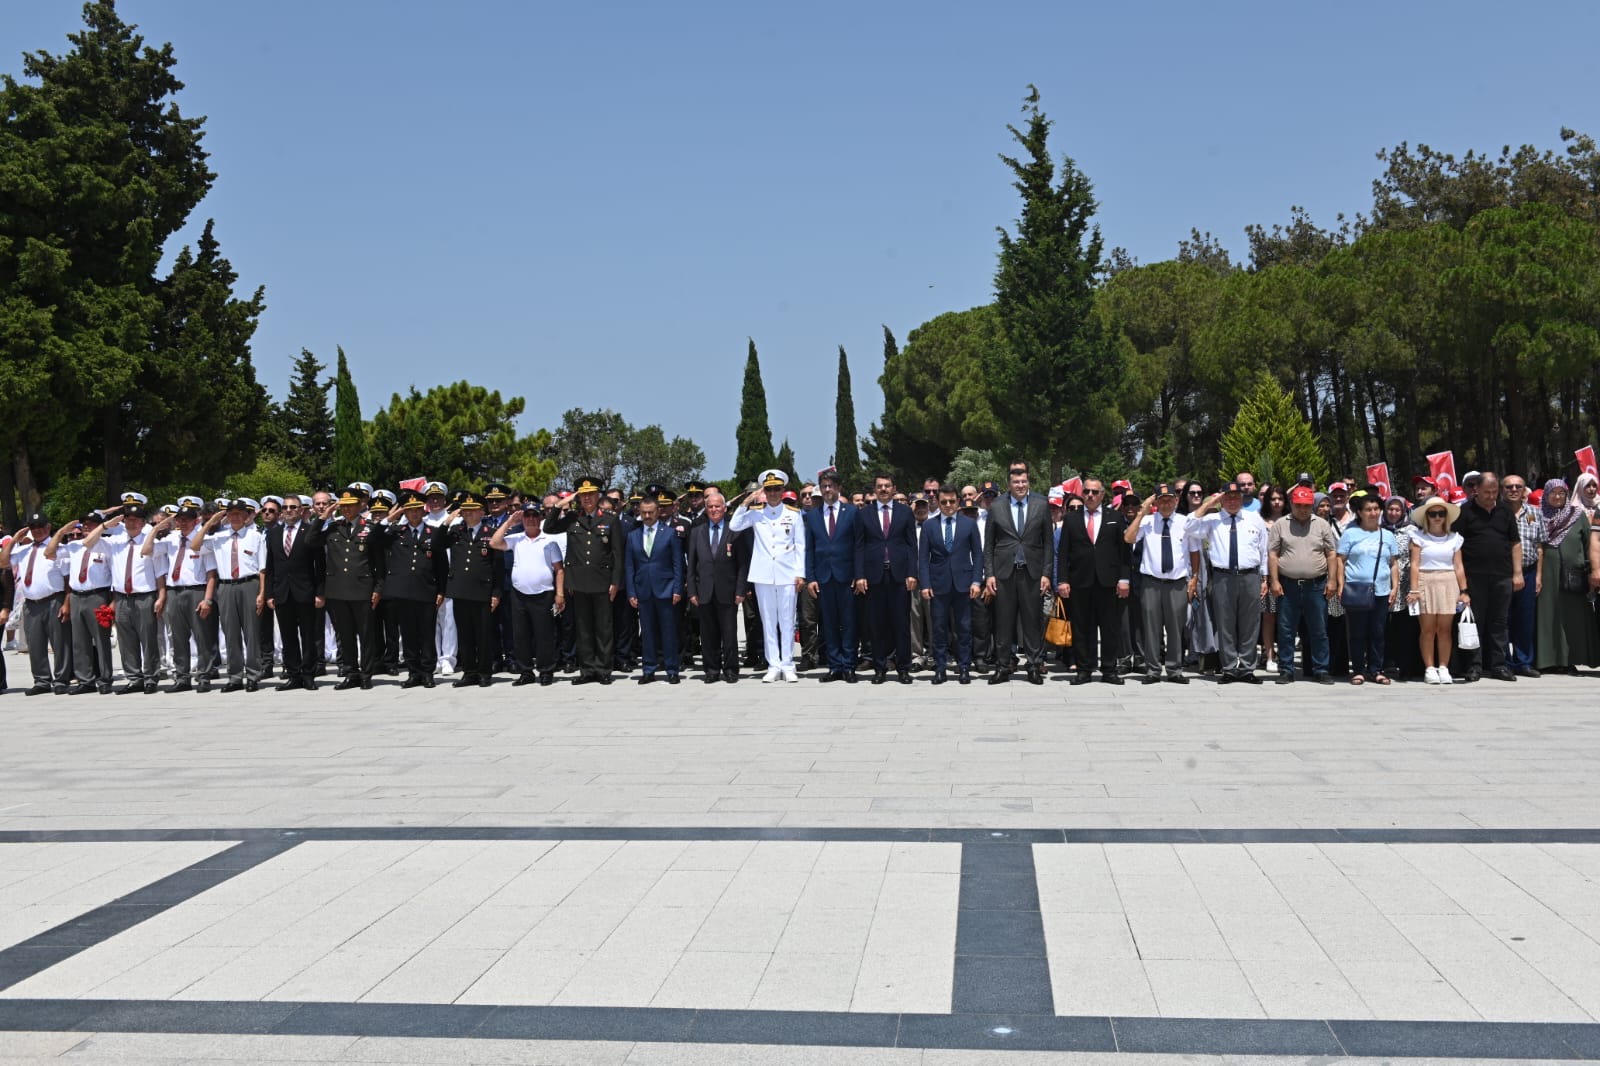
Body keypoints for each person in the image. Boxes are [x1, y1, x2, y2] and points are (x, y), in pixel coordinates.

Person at [543, 476, 624, 685]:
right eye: (583, 495)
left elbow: (617, 554)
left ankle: (604, 669)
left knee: (603, 628)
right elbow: (549, 528)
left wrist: (615, 582)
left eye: (591, 494)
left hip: (602, 581)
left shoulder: (610, 519)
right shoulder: (572, 517)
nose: (587, 498)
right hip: (578, 583)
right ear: (578, 497)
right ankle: (587, 670)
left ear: (598, 496)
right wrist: (558, 506)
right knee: (583, 628)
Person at [729, 469, 807, 682]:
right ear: (764, 490)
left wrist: (800, 574)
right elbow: (734, 525)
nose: (773, 493)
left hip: (787, 573)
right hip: (763, 574)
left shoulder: (793, 513)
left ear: (783, 491)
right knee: (768, 621)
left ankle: (788, 664)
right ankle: (773, 664)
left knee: (787, 620)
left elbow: (800, 545)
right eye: (769, 489)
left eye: (777, 489)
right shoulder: (756, 512)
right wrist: (747, 501)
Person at [1188, 483, 1270, 683]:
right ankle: (1230, 668)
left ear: (1242, 498)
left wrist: (1265, 578)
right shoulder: (1212, 520)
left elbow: (1264, 550)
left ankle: (1248, 668)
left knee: (1250, 623)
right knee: (1225, 623)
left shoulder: (1254, 519)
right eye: (1228, 497)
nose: (1232, 501)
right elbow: (1189, 525)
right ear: (1222, 499)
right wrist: (1212, 502)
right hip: (1223, 577)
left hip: (1249, 575)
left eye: (1236, 497)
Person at [1056, 478, 1132, 685]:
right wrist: (1062, 580)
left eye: (1094, 492)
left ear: (1102, 495)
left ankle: (1109, 670)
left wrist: (1124, 579)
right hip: (1080, 581)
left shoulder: (1115, 517)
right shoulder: (1071, 519)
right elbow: (1063, 553)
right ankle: (1084, 670)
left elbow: (1124, 553)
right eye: (1087, 491)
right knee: (1081, 627)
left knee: (1110, 627)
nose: (1090, 495)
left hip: (1108, 582)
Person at [983, 462, 1053, 685]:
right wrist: (990, 574)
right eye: (1016, 482)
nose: (1020, 485)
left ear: (1028, 481)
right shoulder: (997, 506)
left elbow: (1049, 544)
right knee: (1003, 622)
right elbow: (989, 545)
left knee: (1032, 622)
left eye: (1024, 481)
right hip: (1004, 573)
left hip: (1032, 573)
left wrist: (1046, 573)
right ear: (1009, 484)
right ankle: (1003, 667)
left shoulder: (1041, 504)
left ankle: (1033, 665)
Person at [192, 499, 268, 692]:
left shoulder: (255, 536)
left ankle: (253, 675)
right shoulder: (219, 537)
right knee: (230, 632)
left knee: (251, 633)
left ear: (246, 516)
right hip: (225, 586)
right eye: (231, 513)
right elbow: (194, 545)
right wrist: (209, 523)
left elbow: (262, 569)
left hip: (249, 583)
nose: (235, 517)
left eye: (239, 513)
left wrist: (261, 594)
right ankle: (234, 676)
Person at [1452, 471, 1520, 682]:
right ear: (1476, 490)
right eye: (1486, 492)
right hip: (1474, 577)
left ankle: (1499, 665)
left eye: (1494, 492)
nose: (1491, 496)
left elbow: (1515, 542)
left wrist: (1517, 573)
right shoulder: (1464, 511)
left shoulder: (1505, 511)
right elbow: (1457, 547)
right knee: (1475, 622)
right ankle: (1474, 666)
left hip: (1502, 575)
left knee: (1499, 622)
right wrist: (1461, 581)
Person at [315, 489, 385, 690]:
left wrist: (378, 588)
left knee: (366, 635)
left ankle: (366, 674)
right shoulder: (333, 527)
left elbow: (379, 563)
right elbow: (311, 541)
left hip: (363, 588)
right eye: (343, 506)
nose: (347, 509)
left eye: (351, 505)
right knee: (345, 635)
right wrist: (323, 518)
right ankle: (351, 672)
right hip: (338, 589)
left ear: (360, 506)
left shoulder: (369, 528)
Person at [88, 504, 162, 693]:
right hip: (121, 597)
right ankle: (134, 678)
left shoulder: (149, 541)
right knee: (126, 640)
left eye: (136, 520)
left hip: (144, 595)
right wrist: (105, 526)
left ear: (143, 522)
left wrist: (161, 596)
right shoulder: (115, 541)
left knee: (148, 639)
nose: (131, 523)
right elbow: (88, 543)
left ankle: (151, 677)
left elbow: (160, 573)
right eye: (128, 519)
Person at [1268, 484, 1337, 684]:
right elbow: (1273, 554)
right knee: (1286, 629)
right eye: (1299, 505)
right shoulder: (1280, 525)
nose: (1303, 509)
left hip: (1316, 585)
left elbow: (1331, 553)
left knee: (1319, 629)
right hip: (1288, 585)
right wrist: (1274, 580)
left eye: (1307, 505)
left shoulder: (1322, 525)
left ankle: (1321, 669)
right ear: (1291, 504)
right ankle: (1286, 670)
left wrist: (1332, 580)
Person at [146, 502, 219, 693]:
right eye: (179, 519)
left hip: (196, 591)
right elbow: (146, 551)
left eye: (187, 520)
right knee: (177, 638)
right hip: (174, 592)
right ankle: (182, 677)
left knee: (202, 636)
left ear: (196, 521)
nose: (183, 523)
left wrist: (207, 599)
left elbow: (212, 574)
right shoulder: (170, 539)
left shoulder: (202, 539)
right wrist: (158, 528)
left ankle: (204, 676)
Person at [491, 499, 565, 686]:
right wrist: (509, 522)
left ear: (540, 518)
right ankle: (525, 672)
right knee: (520, 635)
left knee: (544, 635)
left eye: (535, 516)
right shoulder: (516, 539)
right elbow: (494, 542)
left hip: (544, 594)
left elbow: (559, 569)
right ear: (522, 518)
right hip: (519, 594)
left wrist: (560, 594)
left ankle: (546, 671)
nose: (531, 519)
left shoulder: (549, 540)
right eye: (527, 516)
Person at [1124, 484, 1192, 684]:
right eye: (1161, 500)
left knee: (1175, 628)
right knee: (1151, 628)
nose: (1166, 503)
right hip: (1151, 582)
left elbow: (1194, 551)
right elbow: (1128, 538)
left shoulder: (1184, 521)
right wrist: (1141, 513)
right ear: (1155, 503)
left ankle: (1174, 669)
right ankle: (1152, 670)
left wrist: (1194, 577)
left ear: (1176, 501)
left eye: (1169, 499)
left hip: (1177, 582)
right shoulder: (1147, 521)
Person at [854, 473, 918, 684]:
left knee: (901, 624)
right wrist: (860, 575)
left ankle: (903, 668)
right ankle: (879, 668)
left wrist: (912, 573)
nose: (883, 489)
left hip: (899, 576)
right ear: (874, 488)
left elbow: (911, 545)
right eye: (879, 486)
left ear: (893, 488)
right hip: (874, 577)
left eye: (887, 486)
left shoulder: (906, 512)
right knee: (877, 624)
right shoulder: (864, 514)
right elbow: (859, 546)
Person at [0, 512, 71, 694]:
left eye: (41, 527)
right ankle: (41, 680)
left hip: (53, 599)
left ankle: (62, 679)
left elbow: (67, 579)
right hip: (31, 602)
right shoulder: (23, 550)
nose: (37, 531)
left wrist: (66, 603)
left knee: (59, 642)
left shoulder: (59, 549)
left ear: (48, 528)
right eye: (33, 528)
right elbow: (3, 562)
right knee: (35, 643)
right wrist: (14, 539)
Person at [1335, 492, 1401, 685]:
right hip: (1357, 589)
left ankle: (1376, 669)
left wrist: (1394, 587)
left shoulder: (1387, 535)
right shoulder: (1350, 534)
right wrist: (1341, 584)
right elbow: (1340, 560)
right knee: (1357, 632)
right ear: (1360, 512)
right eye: (1368, 509)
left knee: (1378, 632)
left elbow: (1393, 563)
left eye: (1376, 509)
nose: (1373, 513)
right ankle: (1357, 669)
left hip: (1381, 590)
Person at [436, 491, 502, 687]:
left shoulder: (490, 533)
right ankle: (469, 672)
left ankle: (484, 672)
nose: (468, 514)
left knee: (483, 634)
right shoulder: (457, 531)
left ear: (482, 512)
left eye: (472, 511)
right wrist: (447, 521)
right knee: (464, 634)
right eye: (465, 511)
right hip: (460, 590)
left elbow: (497, 566)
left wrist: (497, 593)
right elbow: (437, 543)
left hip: (482, 591)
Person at [1534, 479, 1600, 673]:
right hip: (1547, 572)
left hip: (1574, 573)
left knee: (1572, 616)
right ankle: (1547, 661)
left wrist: (1591, 571)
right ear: (1546, 495)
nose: (1557, 496)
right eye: (1553, 493)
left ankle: (1569, 659)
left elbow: (1589, 543)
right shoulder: (1538, 515)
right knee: (1548, 614)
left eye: (1561, 493)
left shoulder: (1576, 515)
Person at [919, 485, 982, 684]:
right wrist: (925, 584)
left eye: (952, 501)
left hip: (964, 584)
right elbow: (923, 558)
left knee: (964, 627)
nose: (948, 505)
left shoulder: (969, 524)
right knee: (938, 629)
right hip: (938, 584)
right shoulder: (929, 525)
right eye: (944, 502)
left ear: (958, 502)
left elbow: (978, 555)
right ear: (938, 502)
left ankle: (964, 667)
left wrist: (976, 581)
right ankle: (940, 668)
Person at [263, 495, 326, 691]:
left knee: (308, 636)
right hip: (282, 593)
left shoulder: (310, 532)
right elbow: (271, 566)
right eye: (285, 507)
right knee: (287, 636)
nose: (289, 510)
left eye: (293, 507)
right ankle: (293, 675)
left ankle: (308, 675)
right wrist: (270, 594)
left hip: (306, 592)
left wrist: (320, 593)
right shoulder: (274, 534)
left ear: (301, 510)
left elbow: (320, 566)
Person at [687, 488, 750, 683]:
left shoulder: (735, 530)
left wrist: (741, 590)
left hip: (728, 591)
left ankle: (731, 670)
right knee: (708, 634)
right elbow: (691, 565)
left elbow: (742, 564)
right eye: (710, 506)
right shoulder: (697, 532)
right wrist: (692, 591)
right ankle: (711, 670)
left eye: (717, 506)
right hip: (704, 590)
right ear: (706, 509)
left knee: (729, 634)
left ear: (724, 508)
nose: (714, 509)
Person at [803, 470, 861, 683]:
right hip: (824, 577)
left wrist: (858, 573)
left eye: (831, 486)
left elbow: (858, 545)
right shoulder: (813, 516)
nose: (827, 490)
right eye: (824, 486)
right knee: (828, 623)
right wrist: (811, 578)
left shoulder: (852, 512)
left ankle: (849, 666)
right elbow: (809, 549)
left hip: (847, 577)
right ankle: (834, 666)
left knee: (848, 622)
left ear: (838, 488)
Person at [50, 511, 115, 694]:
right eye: (85, 523)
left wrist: (113, 601)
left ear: (101, 526)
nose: (87, 526)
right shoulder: (74, 546)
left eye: (92, 523)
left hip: (98, 595)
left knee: (101, 640)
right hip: (77, 596)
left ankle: (104, 678)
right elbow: (49, 552)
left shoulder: (108, 545)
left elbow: (115, 574)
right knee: (79, 641)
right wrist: (62, 531)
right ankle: (85, 679)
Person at [625, 490, 685, 684]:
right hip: (643, 591)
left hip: (666, 590)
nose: (647, 516)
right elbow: (629, 566)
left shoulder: (669, 533)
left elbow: (678, 563)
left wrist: (677, 589)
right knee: (648, 633)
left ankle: (672, 669)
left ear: (658, 511)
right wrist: (631, 592)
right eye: (644, 513)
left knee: (668, 631)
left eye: (651, 512)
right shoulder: (633, 535)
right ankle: (648, 669)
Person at [1407, 496, 1468, 684]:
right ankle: (1429, 668)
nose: (1437, 517)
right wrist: (1414, 589)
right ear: (1426, 516)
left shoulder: (1455, 538)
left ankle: (1443, 667)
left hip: (1449, 581)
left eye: (1441, 513)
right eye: (1433, 514)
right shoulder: (1418, 537)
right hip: (1425, 580)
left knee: (1444, 629)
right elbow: (1415, 565)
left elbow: (1458, 566)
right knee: (1428, 629)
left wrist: (1464, 591)